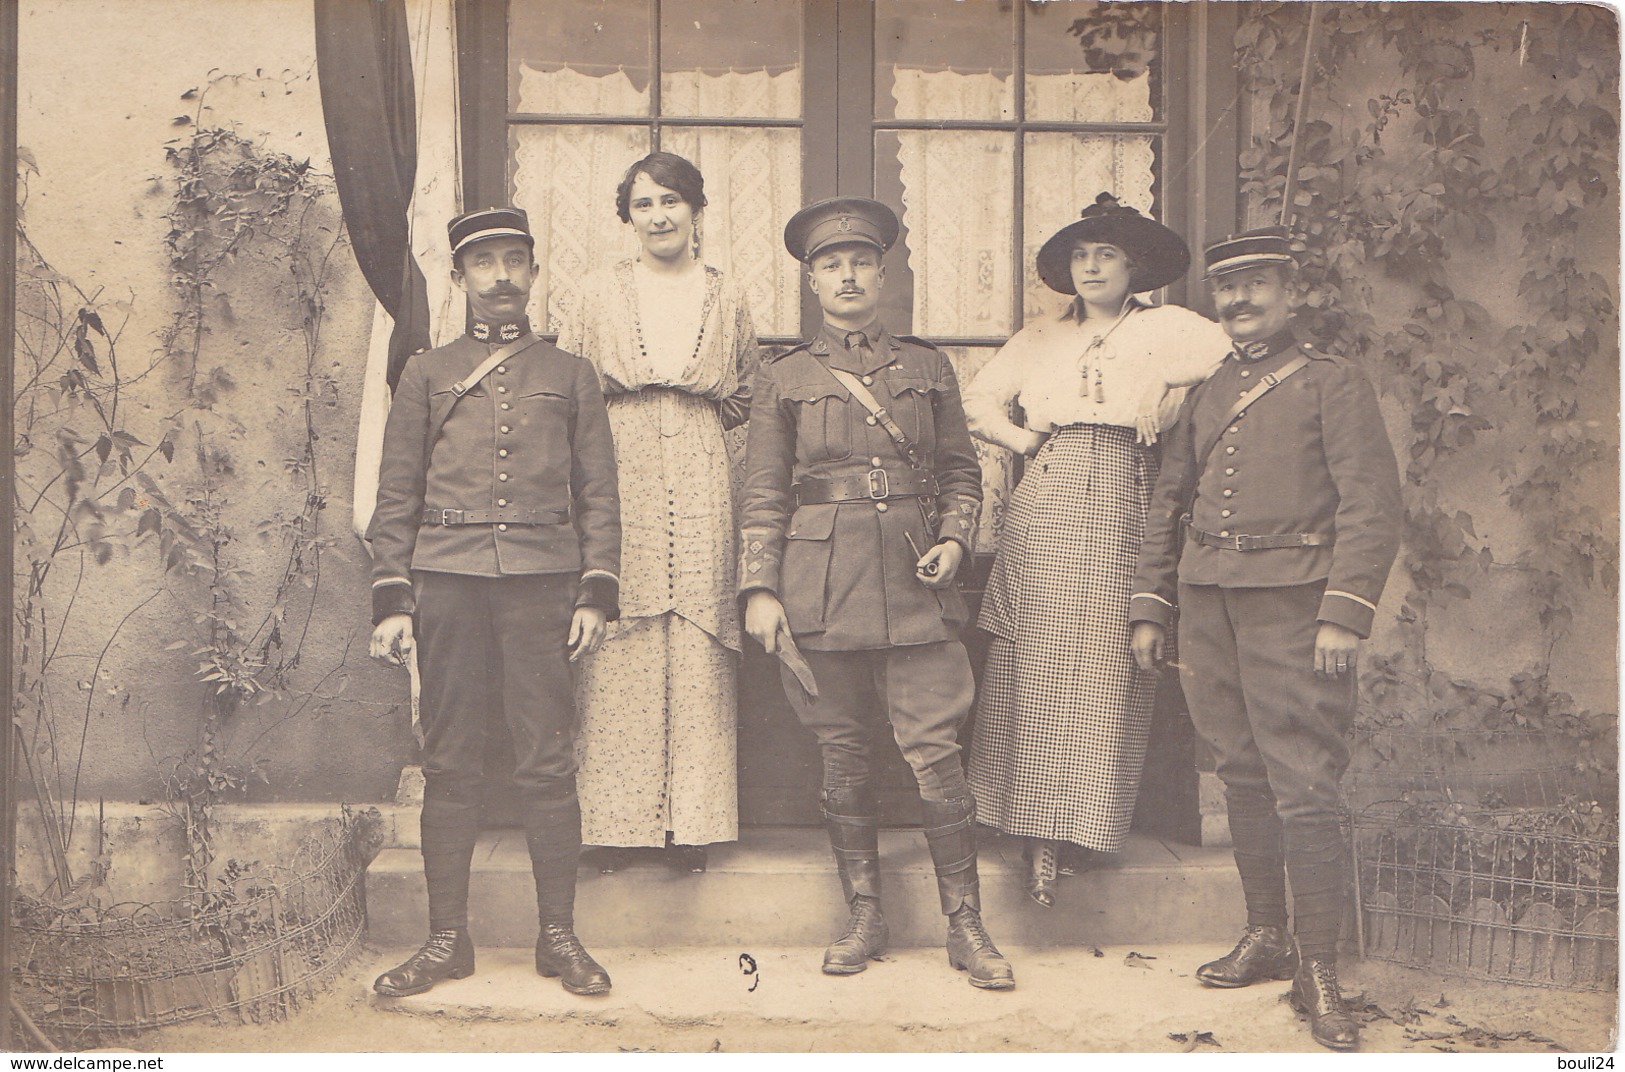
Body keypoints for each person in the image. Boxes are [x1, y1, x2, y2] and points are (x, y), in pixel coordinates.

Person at [1129, 226, 1402, 1051]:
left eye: (1257, 285)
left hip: (1294, 607)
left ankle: (1317, 966)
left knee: (1304, 783)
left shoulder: (1333, 383)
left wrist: (1341, 612)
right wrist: (1150, 604)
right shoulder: (1207, 390)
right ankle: (1265, 933)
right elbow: (1168, 501)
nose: (1240, 301)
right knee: (1240, 772)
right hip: (1208, 602)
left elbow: (1370, 506)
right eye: (1228, 288)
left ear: (1291, 294)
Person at [738, 197, 1013, 990]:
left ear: (882, 273)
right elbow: (762, 491)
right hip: (819, 586)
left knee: (935, 751)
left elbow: (960, 469)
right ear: (810, 281)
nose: (847, 275)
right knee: (840, 751)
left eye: (860, 261)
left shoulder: (926, 368)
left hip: (915, 581)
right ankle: (864, 915)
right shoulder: (784, 376)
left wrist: (957, 539)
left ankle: (965, 925)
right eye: (830, 264)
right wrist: (759, 587)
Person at [367, 206, 622, 998]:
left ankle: (557, 938)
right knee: (449, 761)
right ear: (460, 278)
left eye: (516, 260)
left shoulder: (572, 373)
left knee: (546, 759)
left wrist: (595, 590)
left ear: (534, 273)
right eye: (484, 264)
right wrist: (393, 598)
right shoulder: (425, 371)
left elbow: (599, 492)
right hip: (445, 580)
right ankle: (446, 941)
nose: (501, 277)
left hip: (543, 584)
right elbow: (396, 490)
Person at [962, 193, 1229, 908]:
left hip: (1127, 486)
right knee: (1034, 653)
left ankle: (1079, 828)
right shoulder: (1040, 337)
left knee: (1108, 656)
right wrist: (1025, 441)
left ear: (1133, 264)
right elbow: (979, 401)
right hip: (1048, 489)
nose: (1091, 267)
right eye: (1081, 256)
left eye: (1105, 254)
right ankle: (1024, 828)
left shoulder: (1169, 327)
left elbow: (1232, 364)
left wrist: (1173, 391)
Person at [557, 152, 758, 874]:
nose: (659, 216)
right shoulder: (592, 293)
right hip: (619, 461)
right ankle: (612, 826)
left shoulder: (726, 295)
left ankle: (691, 825)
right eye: (643, 205)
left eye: (671, 200)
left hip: (703, 467)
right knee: (619, 630)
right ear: (627, 218)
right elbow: (571, 389)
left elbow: (744, 396)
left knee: (697, 634)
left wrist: (697, 431)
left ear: (696, 210)